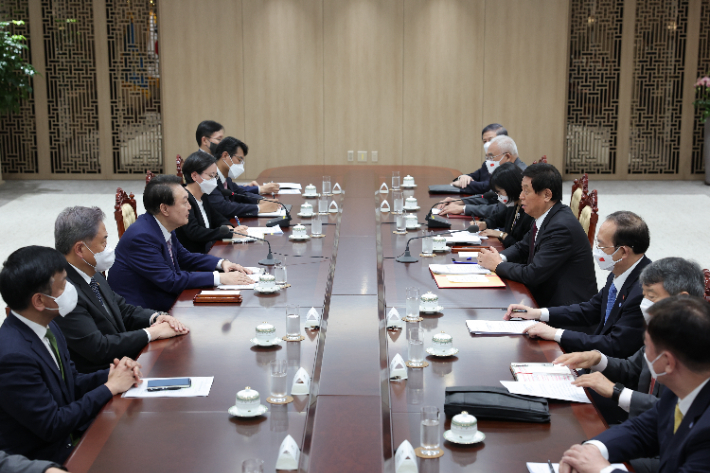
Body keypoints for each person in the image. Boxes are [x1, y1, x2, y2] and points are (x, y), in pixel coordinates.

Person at [555, 258, 705, 471]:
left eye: (647, 346)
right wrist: (594, 449)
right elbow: (644, 429)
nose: (644, 352)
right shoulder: (674, 346)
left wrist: (603, 469)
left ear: (669, 363)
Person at [0, 246, 141, 463]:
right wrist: (109, 388)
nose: (70, 289)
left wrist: (112, 373)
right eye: (63, 284)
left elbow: (71, 382)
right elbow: (52, 424)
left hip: (72, 437)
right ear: (39, 301)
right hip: (47, 460)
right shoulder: (13, 357)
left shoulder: (49, 325)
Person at [53, 206, 189, 373]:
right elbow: (98, 348)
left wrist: (156, 317)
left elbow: (123, 309)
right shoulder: (63, 291)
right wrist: (151, 333)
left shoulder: (91, 272)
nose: (108, 247)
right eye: (103, 242)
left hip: (125, 363)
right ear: (80, 249)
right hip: (100, 378)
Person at [503, 210, 651, 358]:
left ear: (623, 252)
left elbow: (615, 345)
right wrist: (538, 313)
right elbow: (592, 308)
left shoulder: (644, 291)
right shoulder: (622, 269)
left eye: (602, 246)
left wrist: (556, 334)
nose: (597, 251)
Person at [108, 175, 255, 312]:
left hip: (163, 298)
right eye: (184, 202)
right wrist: (219, 278)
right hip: (144, 311)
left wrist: (222, 263)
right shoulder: (141, 237)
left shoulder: (161, 225)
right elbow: (170, 280)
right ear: (164, 209)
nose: (190, 207)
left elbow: (184, 257)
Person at [478, 163, 597, 307]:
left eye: (526, 191)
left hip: (565, 312)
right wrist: (498, 256)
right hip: (545, 297)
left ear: (547, 195)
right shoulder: (547, 215)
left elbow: (532, 274)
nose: (521, 196)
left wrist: (497, 265)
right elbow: (522, 247)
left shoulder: (561, 227)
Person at [441, 134, 527, 218]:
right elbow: (491, 197)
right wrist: (460, 201)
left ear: (507, 156)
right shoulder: (506, 172)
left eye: (491, 157)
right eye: (487, 157)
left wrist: (463, 208)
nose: (489, 162)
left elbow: (501, 209)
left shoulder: (519, 176)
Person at [176, 153, 247, 253]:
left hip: (209, 249)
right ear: (194, 176)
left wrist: (228, 227)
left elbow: (216, 217)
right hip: (193, 256)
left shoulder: (203, 195)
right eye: (211, 175)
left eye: (215, 176)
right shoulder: (184, 199)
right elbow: (195, 232)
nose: (214, 180)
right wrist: (229, 233)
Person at [203, 137, 280, 220]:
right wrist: (259, 208)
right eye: (239, 160)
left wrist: (261, 200)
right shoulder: (208, 177)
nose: (241, 165)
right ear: (225, 156)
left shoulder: (226, 177)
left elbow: (240, 193)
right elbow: (223, 207)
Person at [195, 121, 279, 195]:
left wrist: (252, 188)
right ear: (205, 140)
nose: (222, 143)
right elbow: (220, 196)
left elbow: (229, 189)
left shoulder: (216, 160)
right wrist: (260, 193)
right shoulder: (201, 165)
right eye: (219, 139)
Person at [472, 163, 534, 248]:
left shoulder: (530, 212)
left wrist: (502, 235)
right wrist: (484, 224)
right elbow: (498, 218)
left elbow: (522, 248)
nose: (498, 196)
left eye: (499, 192)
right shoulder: (514, 205)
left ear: (511, 188)